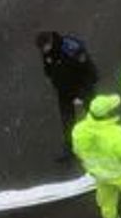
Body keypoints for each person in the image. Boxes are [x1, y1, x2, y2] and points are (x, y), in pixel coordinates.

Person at [36, 31, 98, 161]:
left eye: (45, 48)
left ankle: (102, 140)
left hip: (81, 88)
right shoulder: (47, 51)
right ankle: (70, 148)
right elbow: (49, 68)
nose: (43, 51)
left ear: (51, 41)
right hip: (64, 91)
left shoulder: (71, 48)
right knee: (67, 121)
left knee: (95, 114)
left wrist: (80, 95)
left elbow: (89, 72)